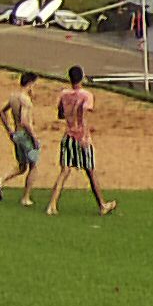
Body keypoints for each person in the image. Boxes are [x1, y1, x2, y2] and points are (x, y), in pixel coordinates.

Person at [47, 65, 116, 217]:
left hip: (68, 135)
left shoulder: (64, 94)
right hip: (80, 136)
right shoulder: (86, 95)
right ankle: (102, 205)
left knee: (64, 170)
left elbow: (60, 114)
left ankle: (52, 204)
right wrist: (84, 135)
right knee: (90, 171)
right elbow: (83, 116)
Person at [0, 70, 42, 206]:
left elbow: (2, 112)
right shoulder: (25, 100)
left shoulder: (13, 97)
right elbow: (25, 121)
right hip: (25, 137)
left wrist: (9, 131)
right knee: (33, 166)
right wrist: (34, 137)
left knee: (22, 166)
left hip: (17, 135)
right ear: (30, 84)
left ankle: (0, 180)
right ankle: (26, 197)